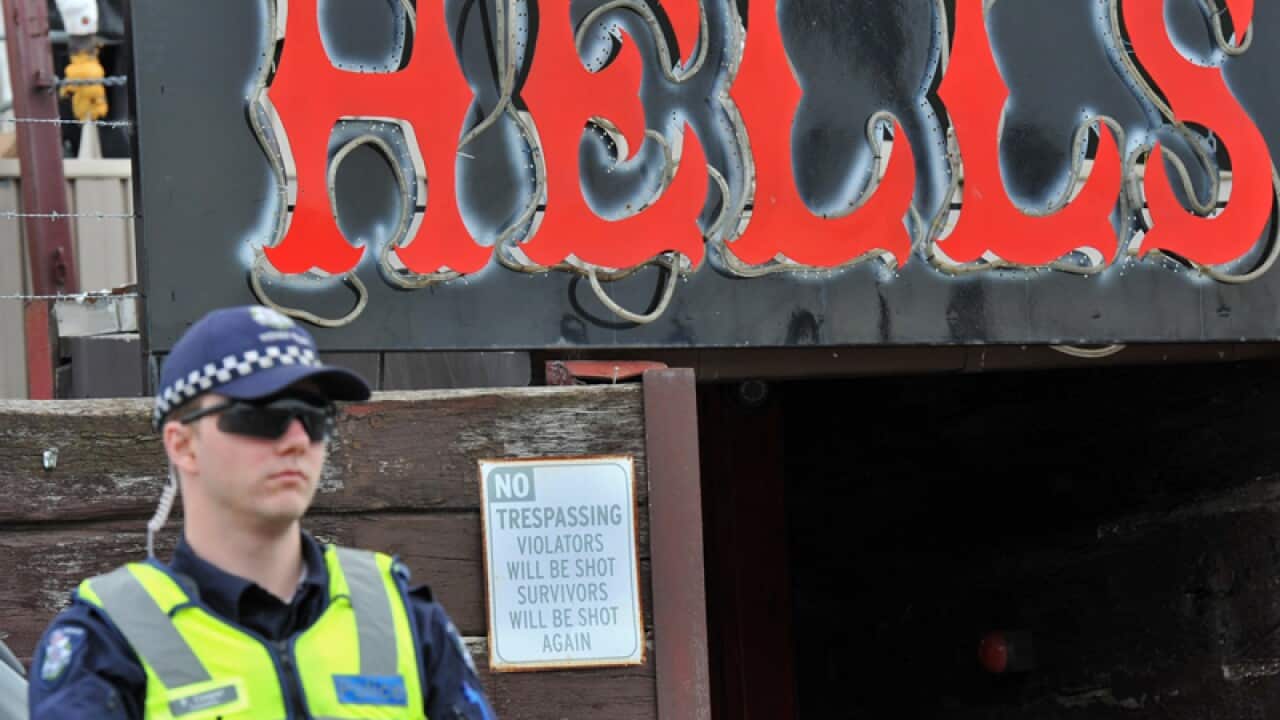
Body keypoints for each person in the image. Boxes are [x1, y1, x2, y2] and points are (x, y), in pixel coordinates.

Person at [28, 305, 496, 719]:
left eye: (316, 418)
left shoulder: (404, 617)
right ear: (184, 445)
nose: (296, 440)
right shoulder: (105, 642)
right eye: (263, 416)